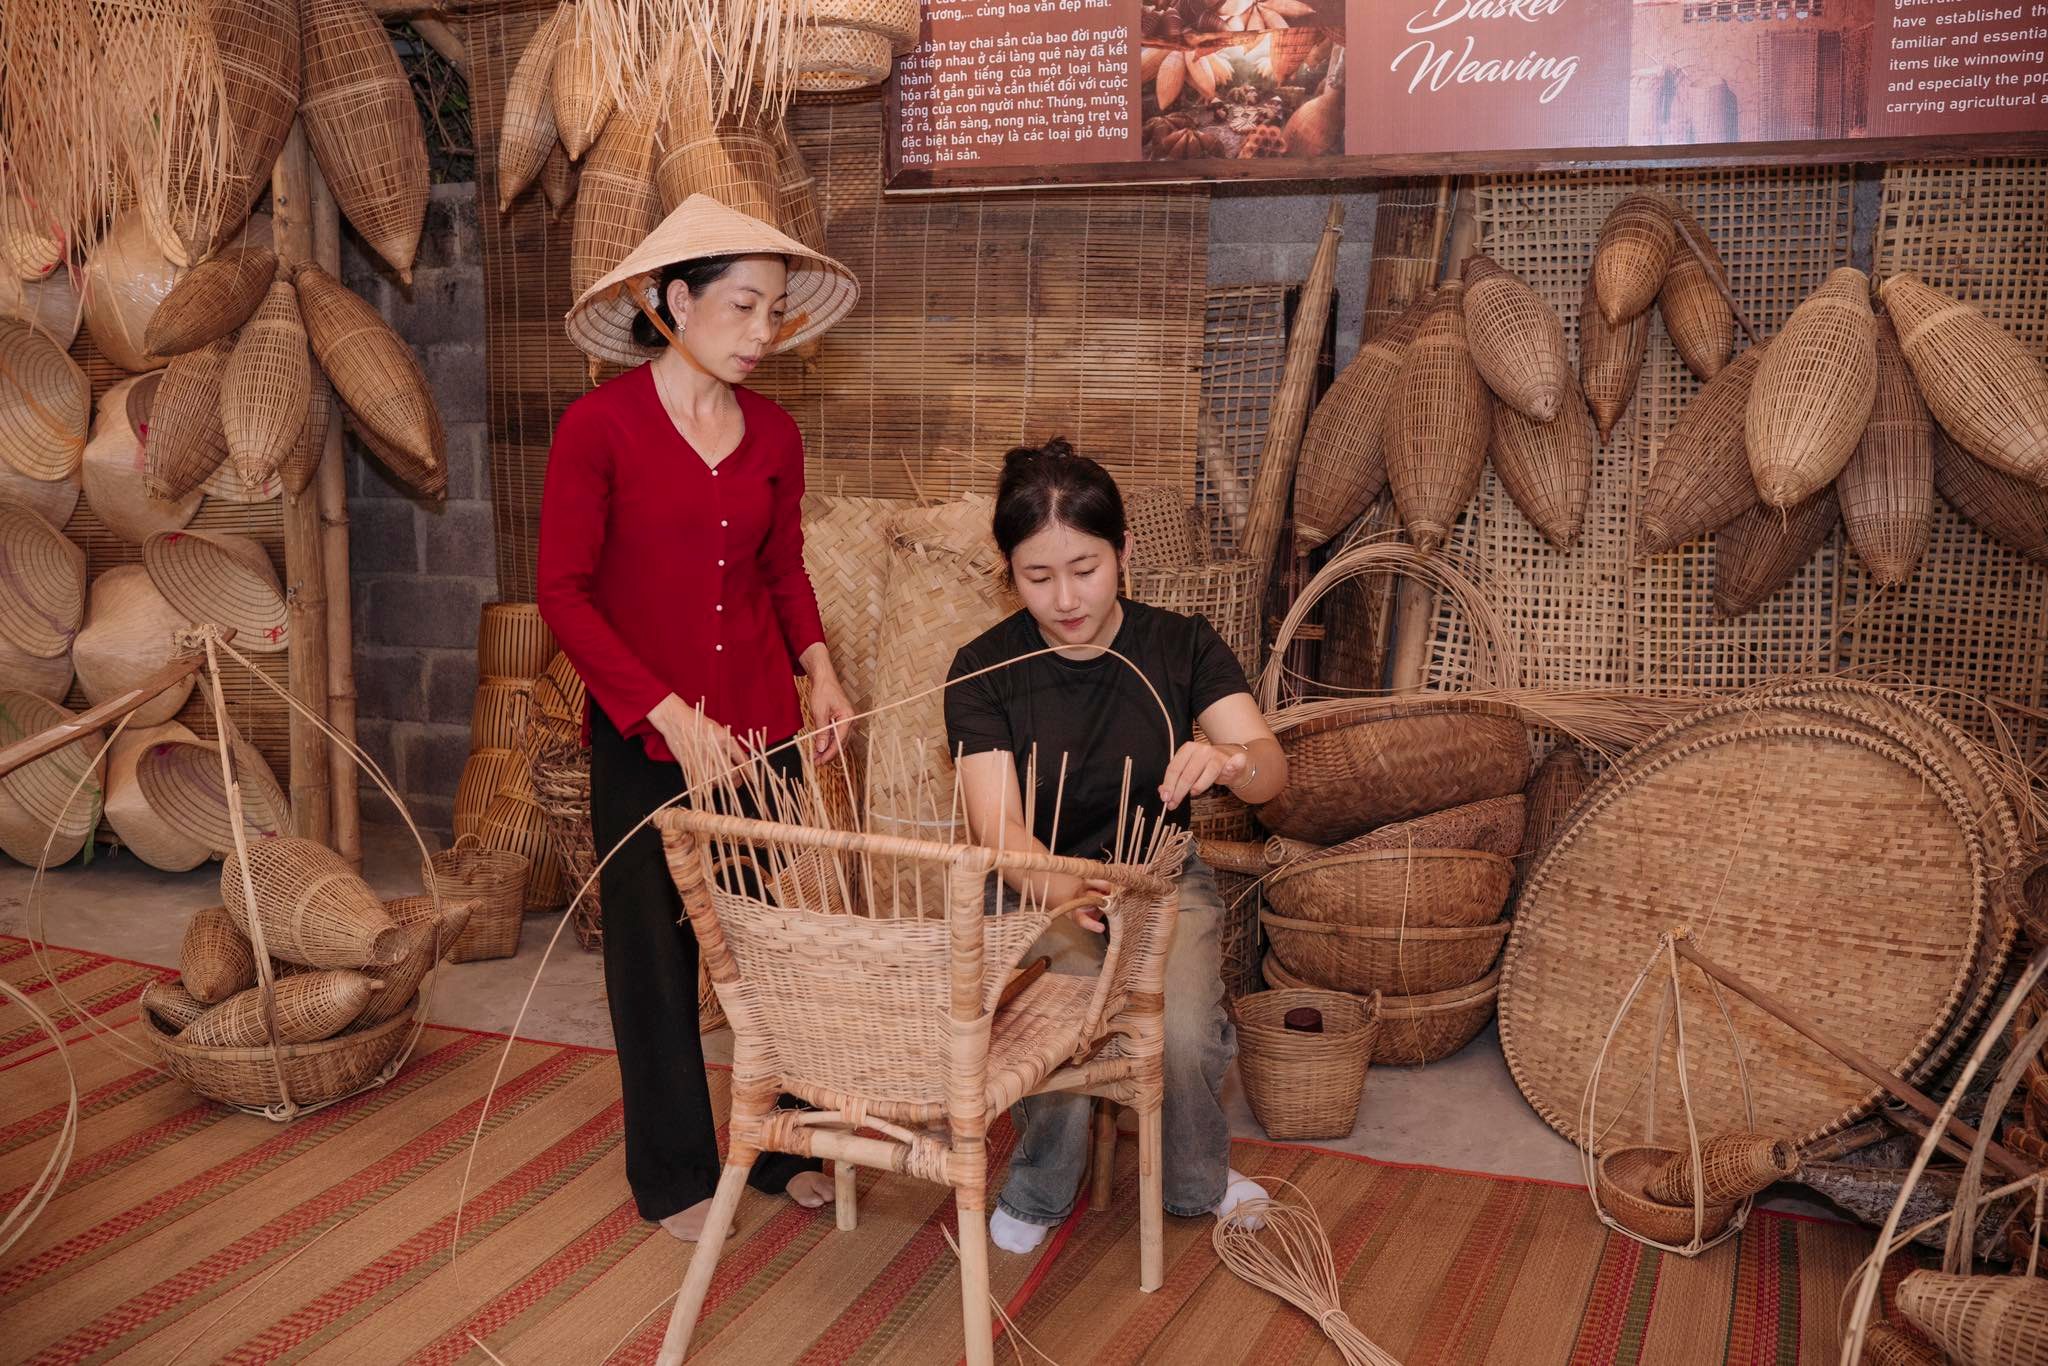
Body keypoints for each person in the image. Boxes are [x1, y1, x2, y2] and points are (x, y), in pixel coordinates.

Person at [540, 196, 860, 1242]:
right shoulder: (600, 428)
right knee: (655, 955)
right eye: (742, 305)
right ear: (675, 301)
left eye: (773, 310)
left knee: (767, 946)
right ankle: (675, 1173)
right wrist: (663, 711)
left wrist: (818, 670)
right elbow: (563, 593)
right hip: (647, 742)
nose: (763, 331)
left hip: (762, 733)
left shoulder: (773, 432)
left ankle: (781, 1149)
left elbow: (782, 569)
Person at [944, 438, 1288, 1254]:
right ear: (1008, 570)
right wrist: (1064, 894)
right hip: (1040, 880)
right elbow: (999, 831)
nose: (1066, 598)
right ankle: (1039, 1184)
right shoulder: (982, 672)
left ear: (1124, 551)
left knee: (1180, 1029)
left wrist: (1231, 761)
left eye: (1087, 568)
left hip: (1161, 880)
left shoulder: (1180, 646)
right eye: (1038, 576)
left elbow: (1271, 775)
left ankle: (1197, 1178)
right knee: (1062, 1015)